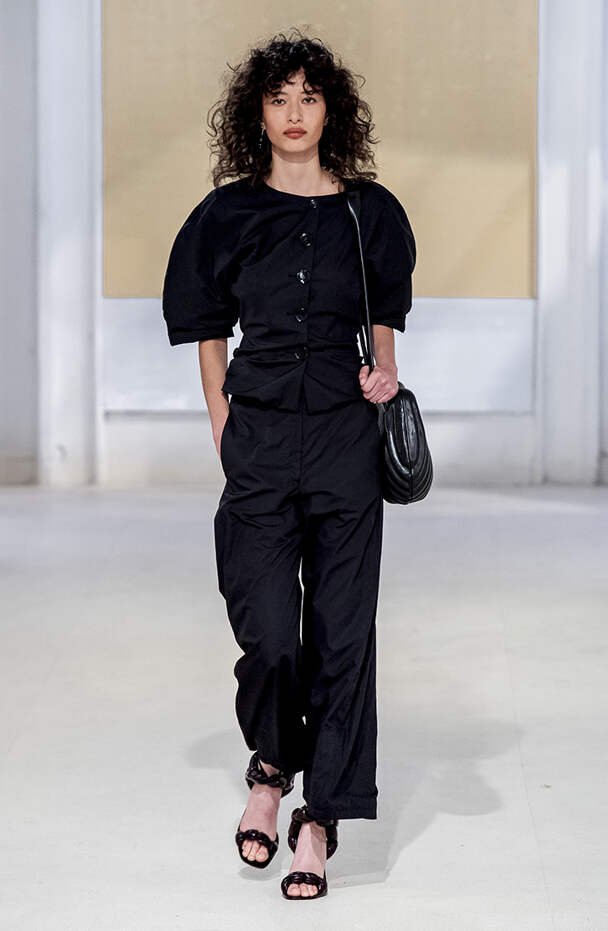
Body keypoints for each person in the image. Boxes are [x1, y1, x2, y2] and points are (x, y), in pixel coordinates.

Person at [162, 30, 416, 901]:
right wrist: (220, 418)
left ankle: (319, 817)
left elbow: (385, 317)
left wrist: (385, 371)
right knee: (270, 632)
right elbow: (204, 320)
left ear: (331, 109)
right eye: (279, 99)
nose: (295, 112)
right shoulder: (226, 215)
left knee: (343, 636)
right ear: (258, 115)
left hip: (345, 441)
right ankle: (271, 764)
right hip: (261, 439)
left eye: (309, 96)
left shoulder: (371, 212)